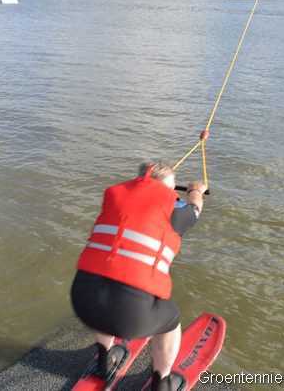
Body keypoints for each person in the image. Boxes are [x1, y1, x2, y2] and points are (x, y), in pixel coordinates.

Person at [71, 161, 206, 391]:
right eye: (172, 189)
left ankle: (104, 362)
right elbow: (195, 208)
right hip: (129, 317)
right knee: (171, 319)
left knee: (104, 281)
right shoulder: (173, 212)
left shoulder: (115, 199)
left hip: (82, 303)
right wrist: (196, 190)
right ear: (169, 190)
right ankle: (162, 383)